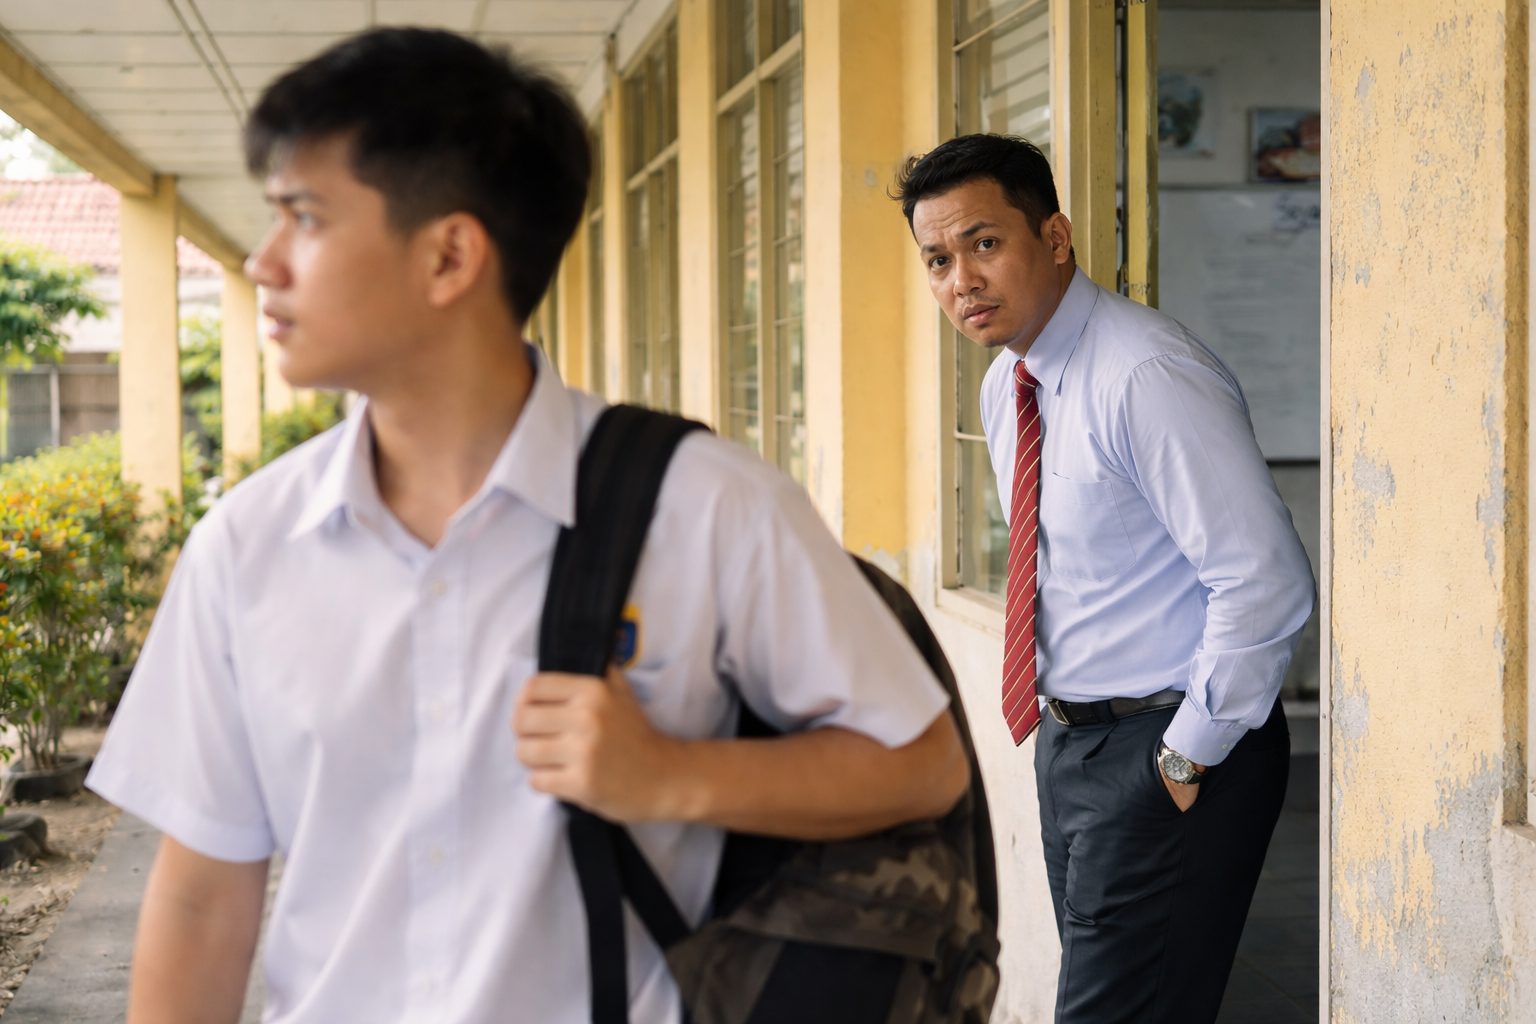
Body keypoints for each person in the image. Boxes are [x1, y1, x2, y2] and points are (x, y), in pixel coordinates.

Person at [87, 28, 969, 1024]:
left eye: (304, 216)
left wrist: (673, 775)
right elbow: (204, 895)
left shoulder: (705, 506)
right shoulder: (247, 547)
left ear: (450, 254)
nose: (264, 262)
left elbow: (923, 761)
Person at [894, 134, 1315, 1023]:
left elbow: (1263, 580)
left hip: (1171, 740)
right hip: (1073, 744)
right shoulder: (1009, 384)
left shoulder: (1146, 373)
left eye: (984, 243)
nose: (961, 280)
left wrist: (1182, 755)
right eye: (938, 259)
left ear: (1054, 238)